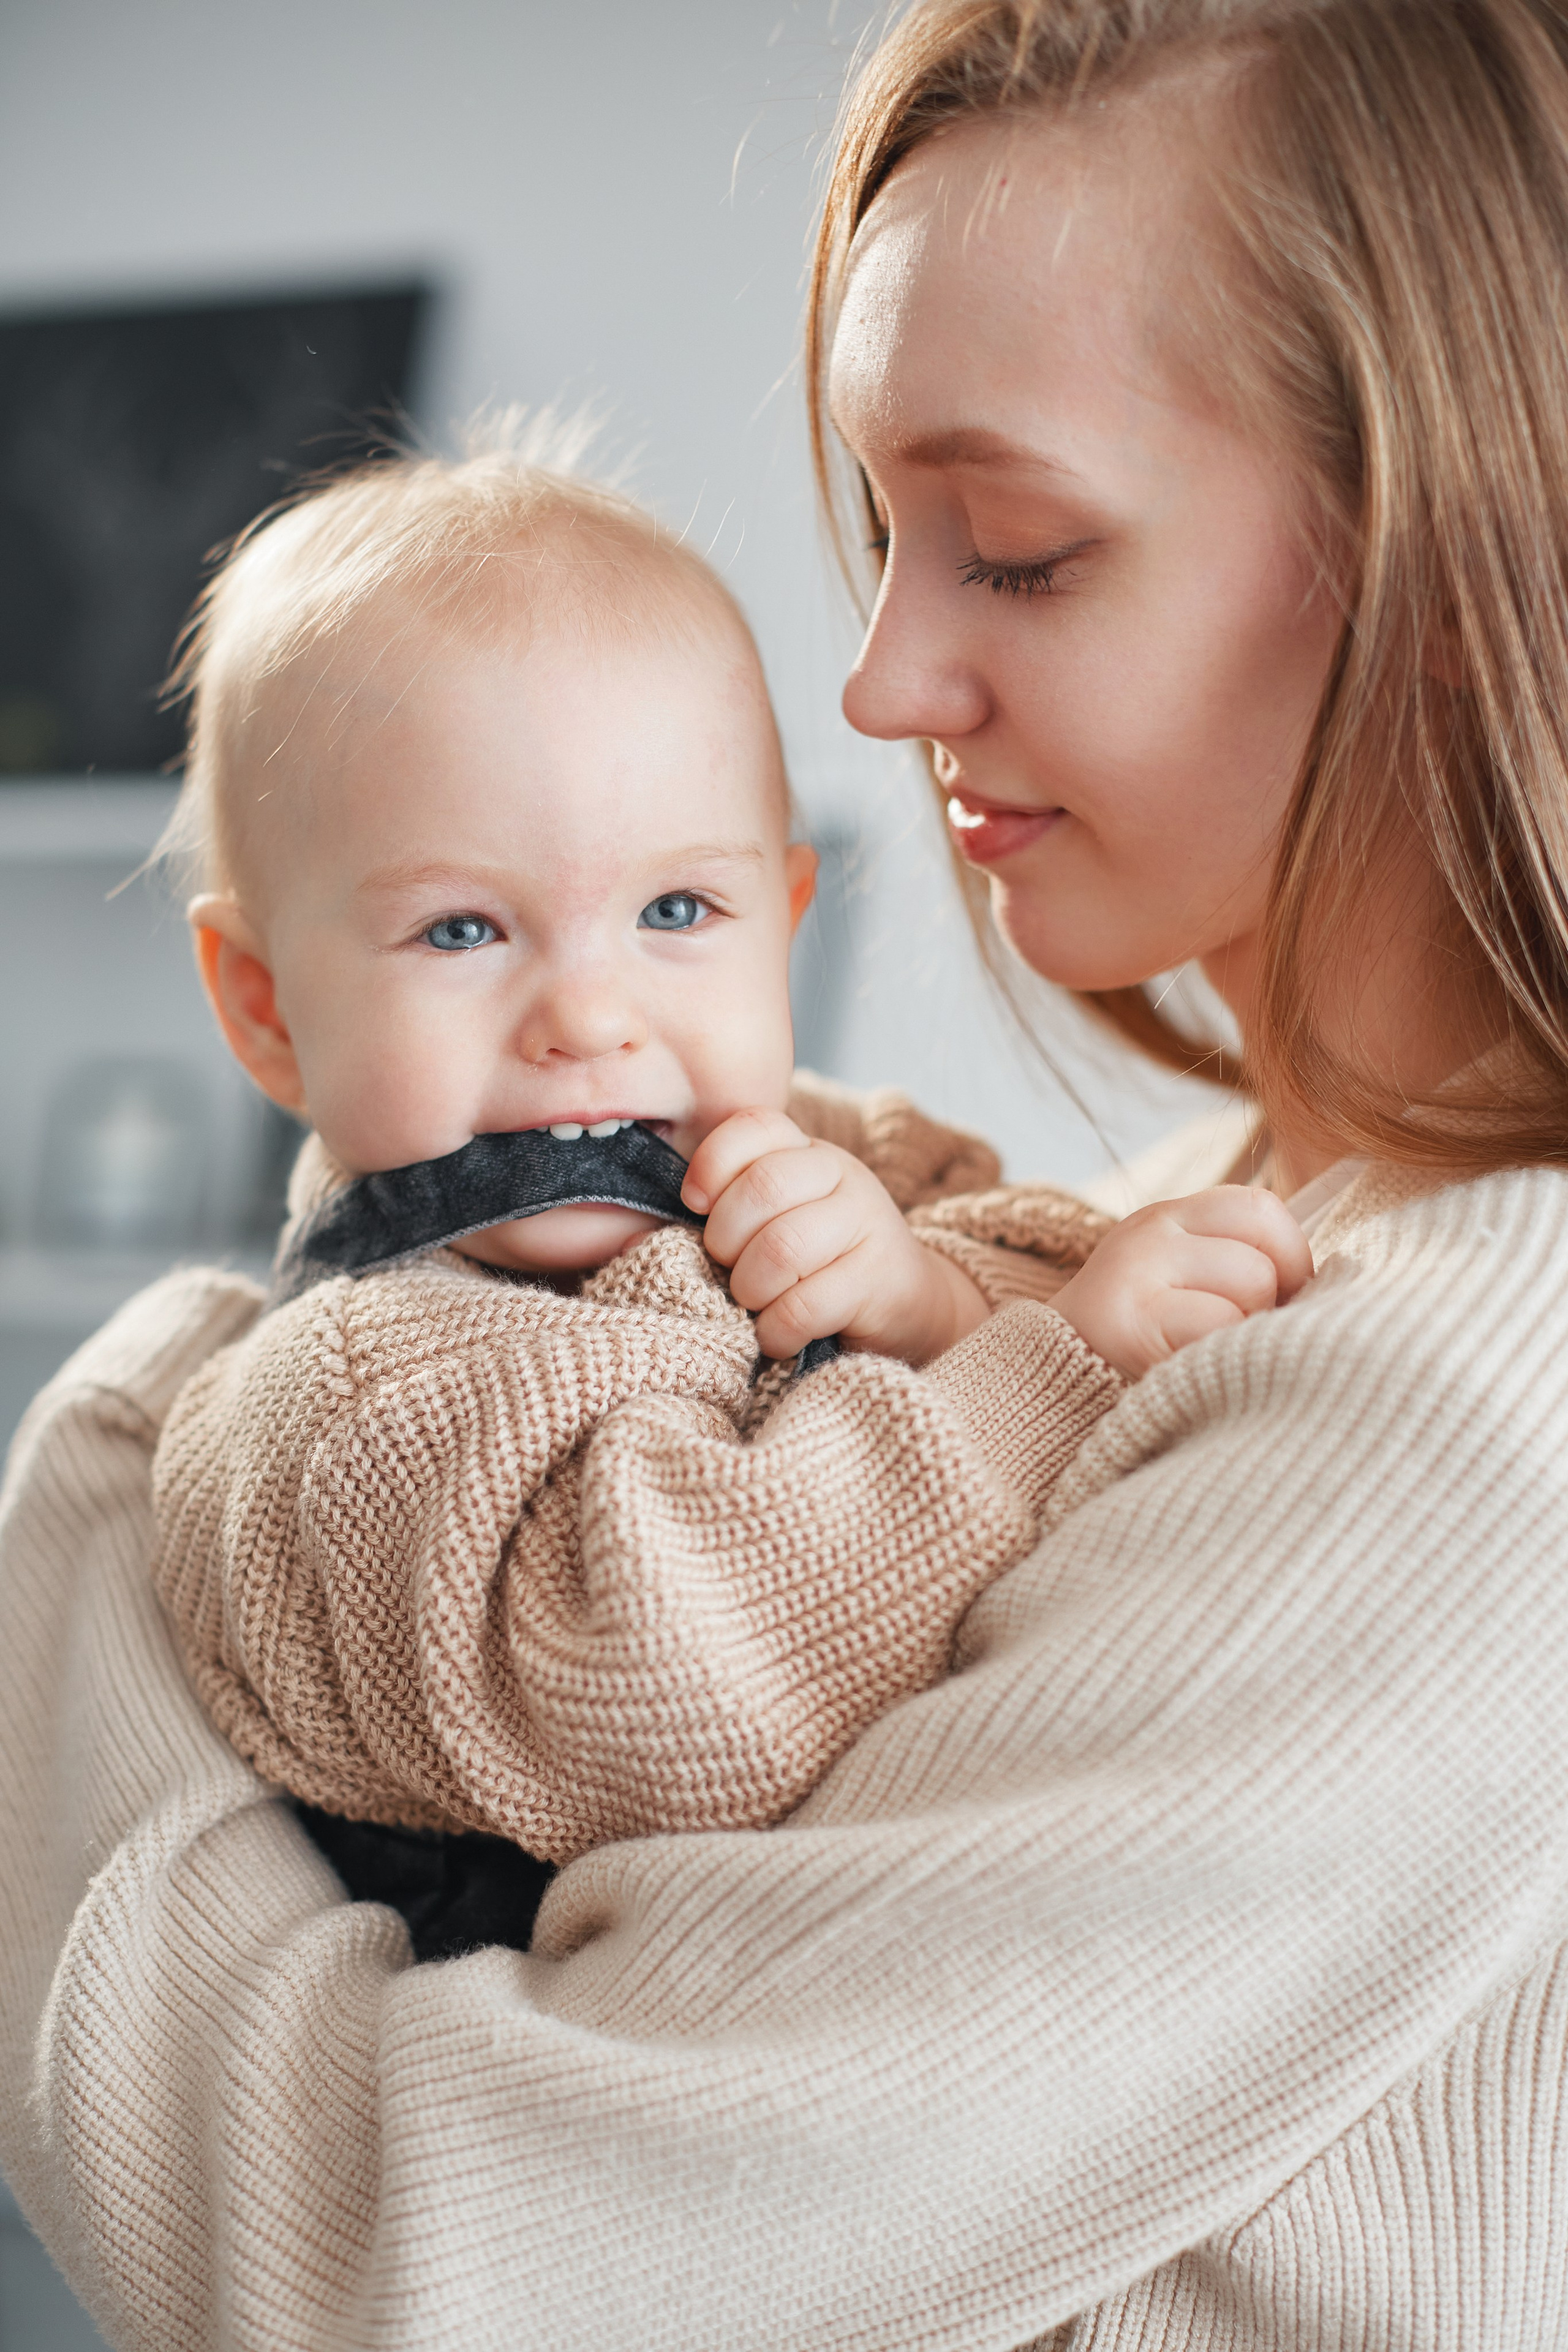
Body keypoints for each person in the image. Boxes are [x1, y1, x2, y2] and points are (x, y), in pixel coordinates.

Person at [3, 1, 1568, 2345]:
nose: (872, 678)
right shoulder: (1166, 1228)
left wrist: (88, 1500)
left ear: (1454, 570)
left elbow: (421, 2273)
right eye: (882, 531)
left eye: (1017, 553)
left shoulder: (1456, 1420)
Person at [149, 436, 1302, 1894]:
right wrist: (1041, 1371)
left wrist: (935, 1300)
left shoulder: (838, 1154)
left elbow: (1077, 1255)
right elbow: (675, 1686)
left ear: (784, 913)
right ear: (266, 1009)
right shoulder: (362, 1398)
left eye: (677, 908)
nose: (588, 1018)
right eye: (460, 931)